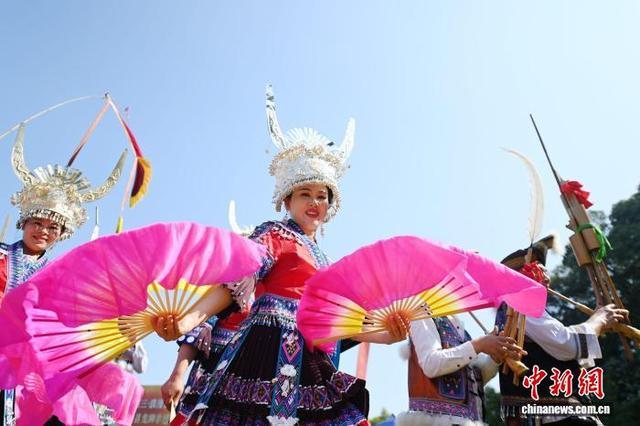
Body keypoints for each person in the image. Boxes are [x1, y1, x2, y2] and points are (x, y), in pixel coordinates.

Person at [154, 86, 409, 425]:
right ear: (287, 200)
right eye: (305, 193)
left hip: (309, 365)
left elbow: (336, 323)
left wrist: (390, 334)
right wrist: (186, 322)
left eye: (322, 195)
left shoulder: (325, 262)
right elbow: (234, 286)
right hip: (263, 353)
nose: (314, 202)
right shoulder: (273, 234)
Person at [0, 124, 126, 425]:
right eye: (37, 222)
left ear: (62, 233)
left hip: (35, 368)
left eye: (53, 227)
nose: (43, 231)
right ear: (23, 222)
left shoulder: (61, 274)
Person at [496, 236, 627, 426]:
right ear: (521, 277)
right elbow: (567, 344)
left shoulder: (514, 311)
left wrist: (599, 323)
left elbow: (566, 354)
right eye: (539, 271)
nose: (547, 279)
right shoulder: (519, 307)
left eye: (545, 272)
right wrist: (599, 320)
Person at [396, 313, 525, 426]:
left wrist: (494, 358)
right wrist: (478, 345)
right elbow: (431, 363)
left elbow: (471, 381)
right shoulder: (422, 313)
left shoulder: (456, 323)